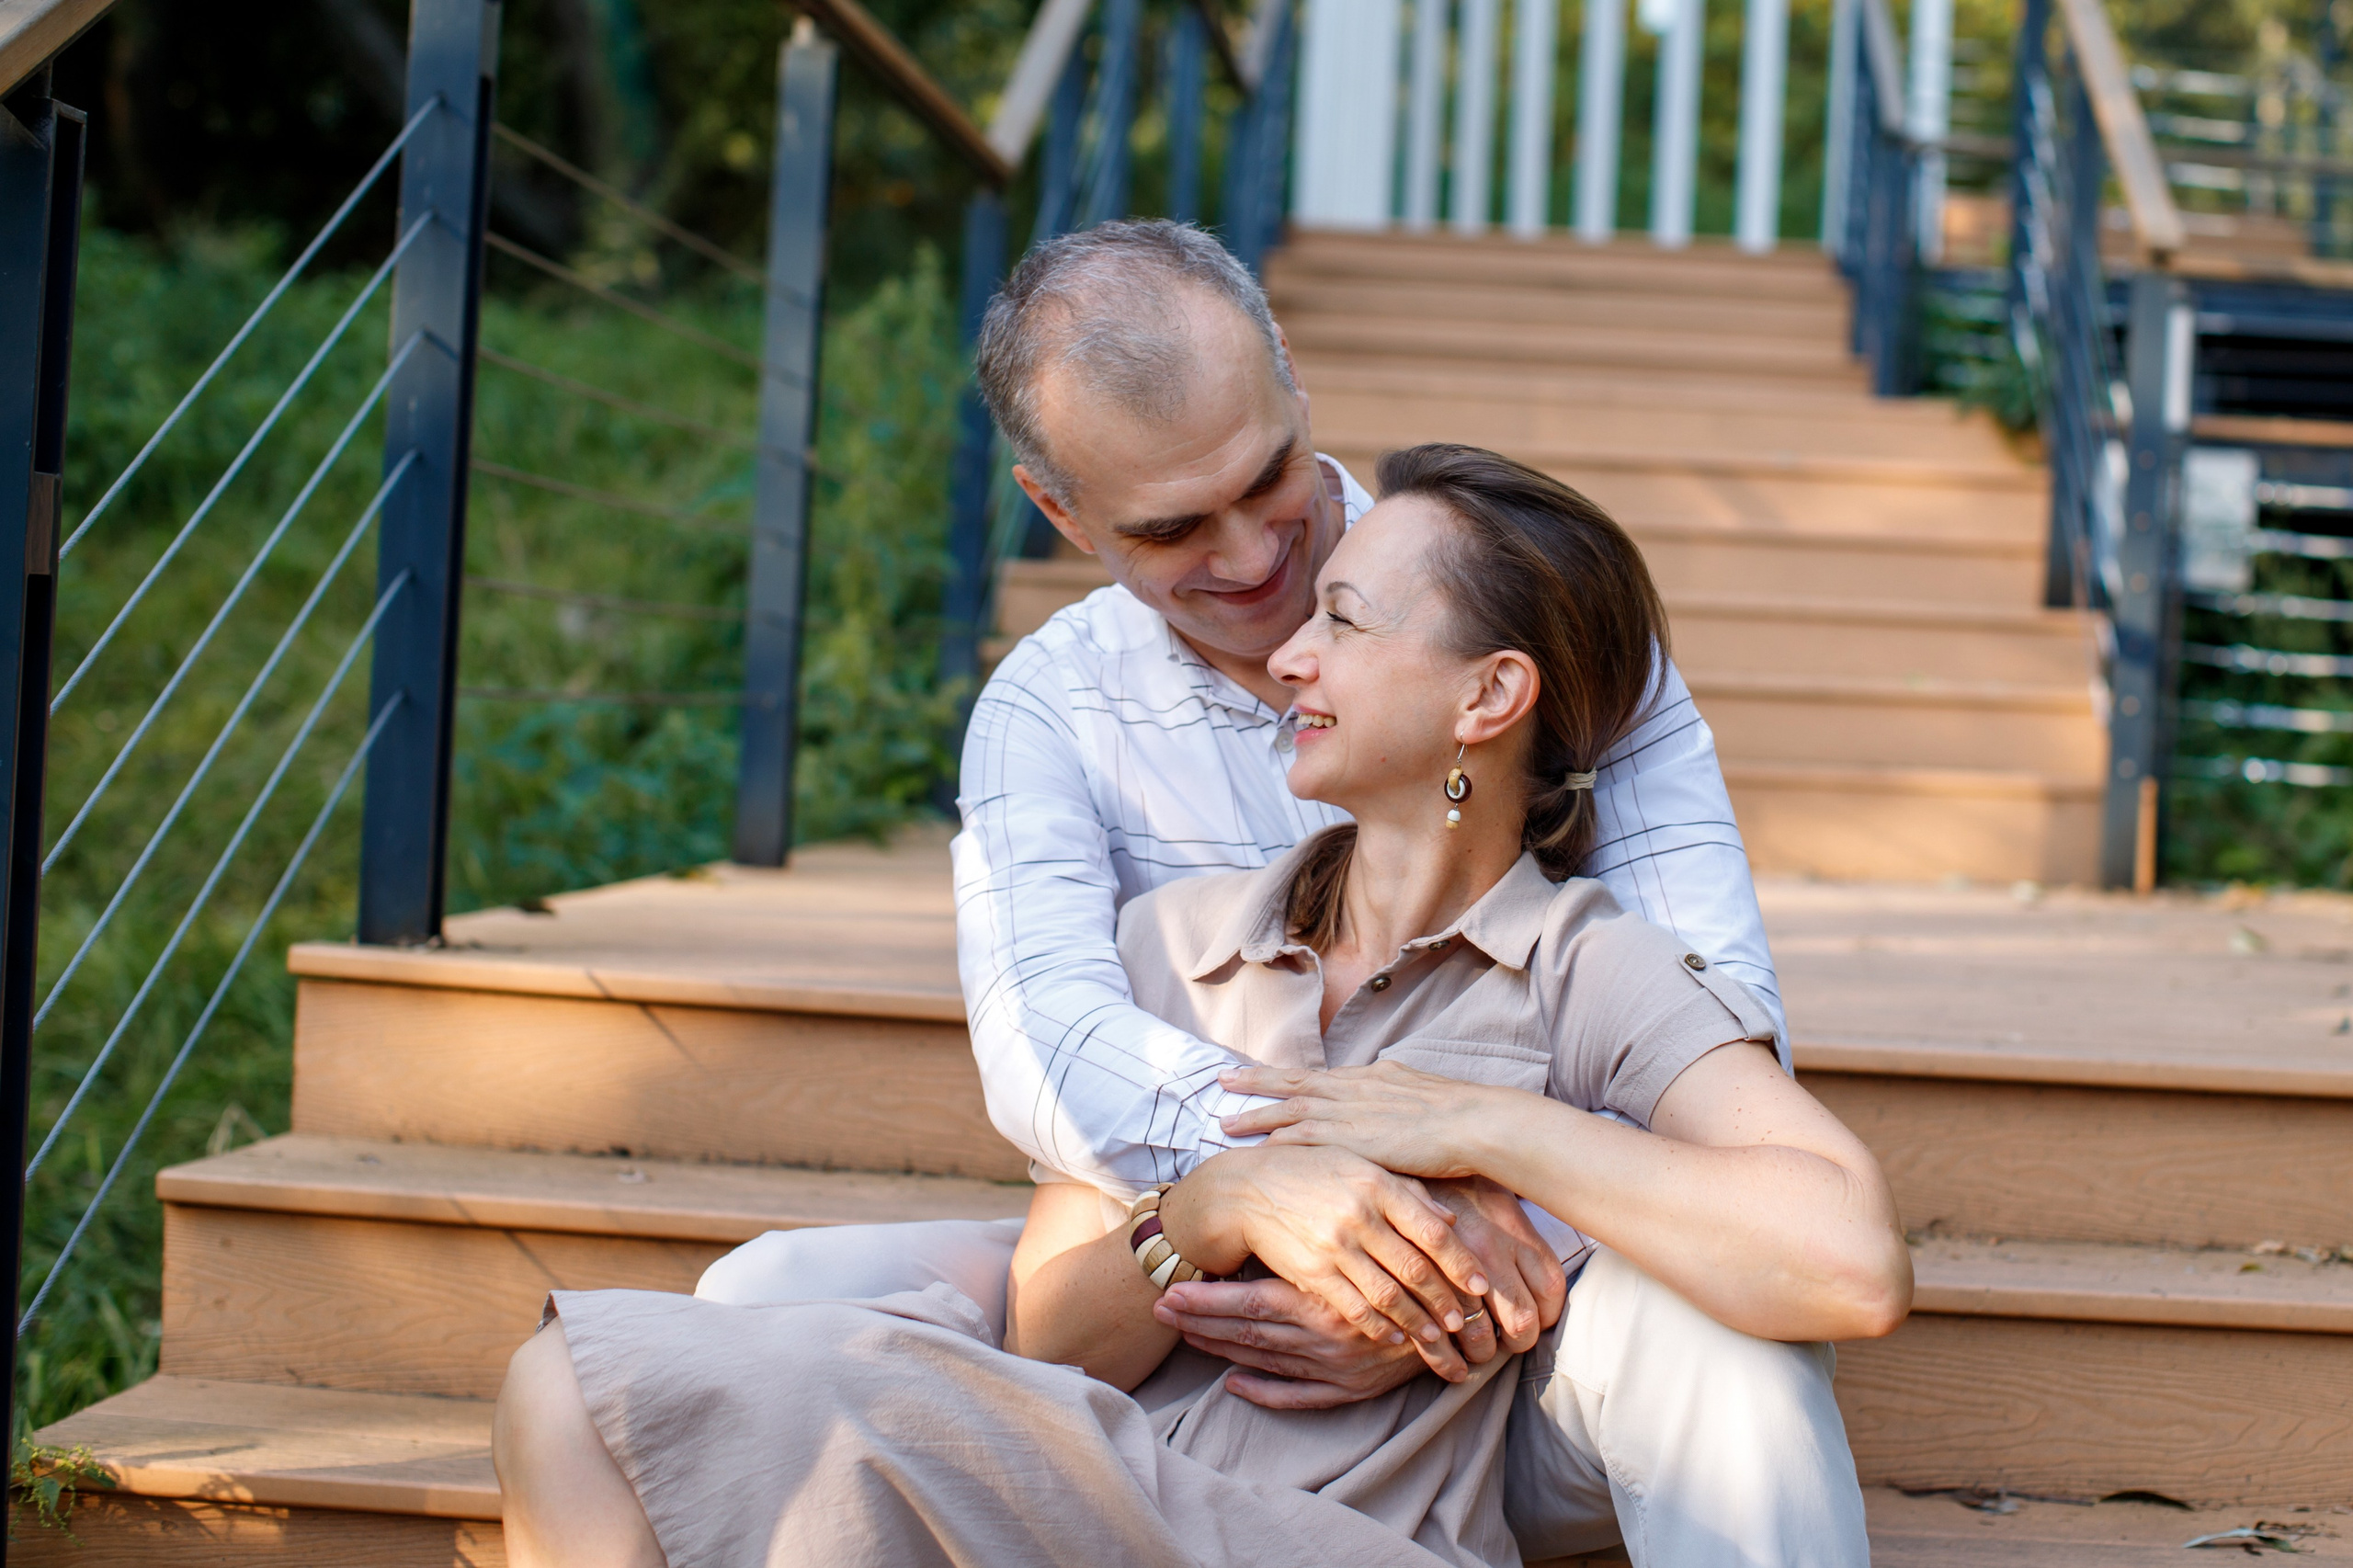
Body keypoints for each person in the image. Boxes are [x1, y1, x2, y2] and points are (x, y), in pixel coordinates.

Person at [491, 445, 1909, 1567]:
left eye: (1342, 621)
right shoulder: (1175, 939)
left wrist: (1490, 1131)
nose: (1290, 650)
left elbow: (1847, 1259)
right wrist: (1213, 1204)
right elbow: (1052, 1339)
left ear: (1490, 694)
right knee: (574, 1386)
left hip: (1339, 1535)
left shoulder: (1588, 965)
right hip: (1091, 1492)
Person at [705, 216, 1789, 1417]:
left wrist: (1457, 1212)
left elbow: (1723, 1011)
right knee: (753, 1302)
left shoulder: (1529, 604)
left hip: (1521, 1268)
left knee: (1747, 1347)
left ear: (1287, 366)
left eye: (1266, 474)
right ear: (1058, 514)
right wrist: (1320, 1192)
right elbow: (1045, 1043)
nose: (1253, 555)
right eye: (1171, 529)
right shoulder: (1049, 709)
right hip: (1195, 1268)